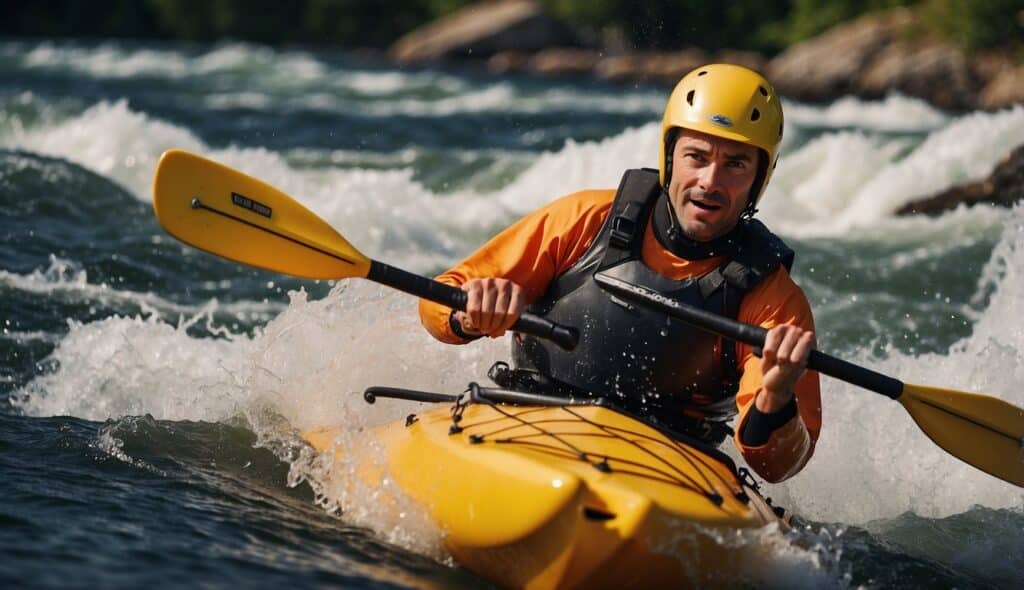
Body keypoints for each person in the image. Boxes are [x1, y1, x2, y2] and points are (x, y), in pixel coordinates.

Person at [419, 64, 820, 483]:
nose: (710, 181)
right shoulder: (583, 220)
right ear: (670, 157)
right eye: (696, 157)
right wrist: (468, 313)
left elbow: (779, 466)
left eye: (735, 164)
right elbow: (439, 297)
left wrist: (775, 400)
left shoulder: (773, 301)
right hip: (527, 420)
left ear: (760, 178)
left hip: (665, 466)